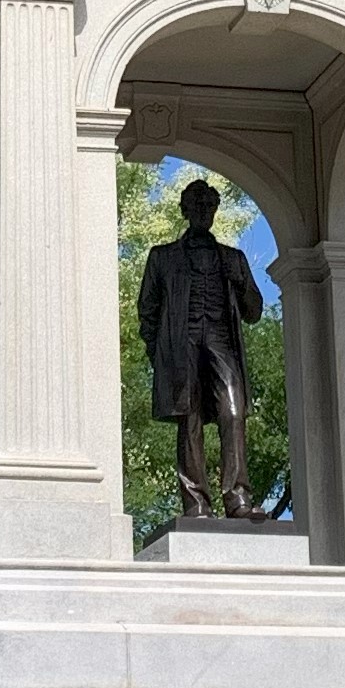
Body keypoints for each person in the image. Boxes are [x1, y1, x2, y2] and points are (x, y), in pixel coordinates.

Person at [135, 176, 264, 514]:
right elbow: (147, 310)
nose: (204, 211)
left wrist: (240, 281)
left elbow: (254, 312)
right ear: (184, 210)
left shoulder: (232, 258)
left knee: (233, 412)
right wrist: (159, 354)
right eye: (197, 205)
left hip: (221, 341)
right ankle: (196, 504)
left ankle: (238, 499)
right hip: (182, 345)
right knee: (189, 419)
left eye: (209, 205)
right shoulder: (163, 257)